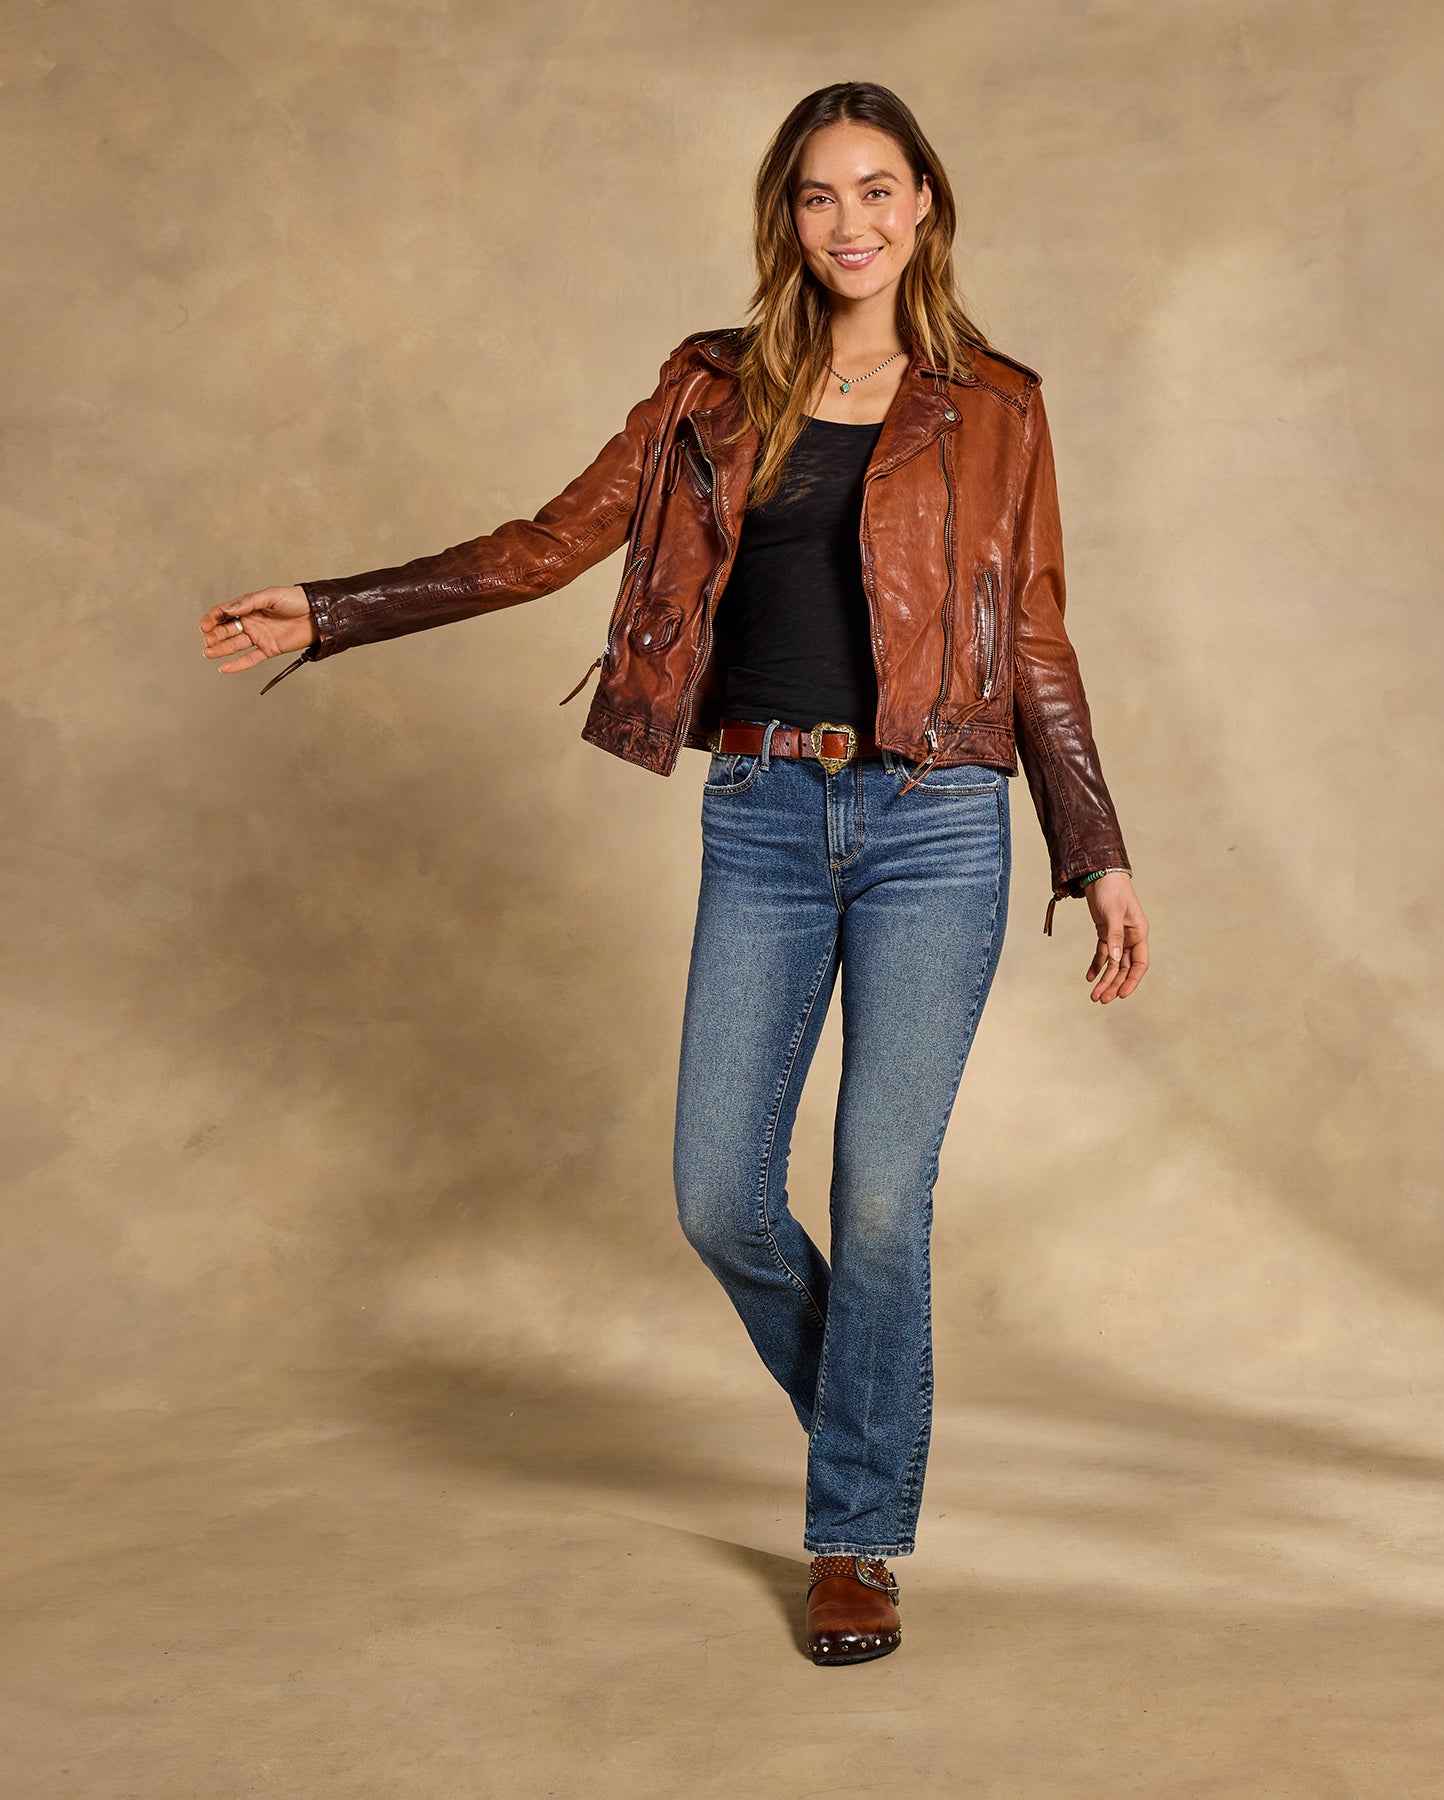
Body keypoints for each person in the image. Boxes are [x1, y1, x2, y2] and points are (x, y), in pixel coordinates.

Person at [198, 80, 1149, 1667]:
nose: (850, 222)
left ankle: (853, 1538)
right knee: (719, 1193)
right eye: (818, 196)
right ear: (789, 218)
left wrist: (1096, 851)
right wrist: (339, 608)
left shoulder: (997, 404)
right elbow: (546, 542)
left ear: (925, 204)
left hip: (936, 821)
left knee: (880, 1194)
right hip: (762, 812)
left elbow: (1036, 639)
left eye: (877, 189)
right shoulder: (714, 386)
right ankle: (876, 1430)